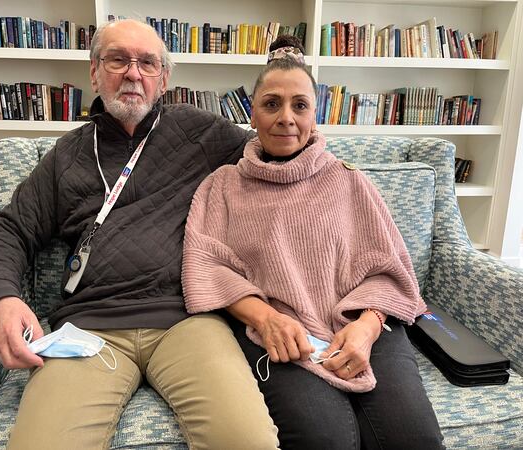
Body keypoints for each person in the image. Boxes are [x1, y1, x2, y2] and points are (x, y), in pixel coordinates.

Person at [0, 19, 280, 450]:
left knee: (248, 442)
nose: (133, 73)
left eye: (147, 62)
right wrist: (2, 298)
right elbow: (8, 230)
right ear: (95, 71)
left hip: (187, 320)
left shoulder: (198, 133)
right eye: (118, 59)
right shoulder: (67, 156)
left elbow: (277, 150)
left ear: (163, 79)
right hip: (90, 327)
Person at [182, 35, 445, 449]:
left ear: (314, 114)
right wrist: (265, 318)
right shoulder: (221, 187)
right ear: (252, 113)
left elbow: (393, 271)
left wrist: (366, 328)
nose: (286, 118)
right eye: (272, 104)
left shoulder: (349, 179)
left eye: (299, 105)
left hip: (365, 327)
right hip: (279, 333)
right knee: (325, 439)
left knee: (414, 438)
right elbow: (204, 268)